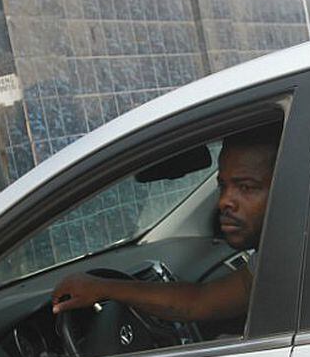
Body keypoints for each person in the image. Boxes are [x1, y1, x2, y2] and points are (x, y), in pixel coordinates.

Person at [52, 130, 278, 322]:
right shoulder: (275, 257)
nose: (223, 202)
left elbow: (199, 302)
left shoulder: (295, 260)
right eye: (222, 186)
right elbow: (200, 301)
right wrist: (102, 288)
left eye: (246, 187)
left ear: (287, 184)